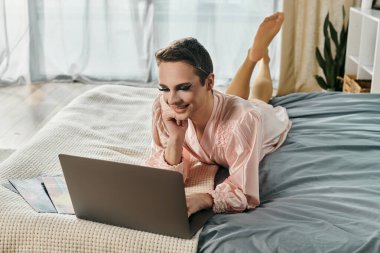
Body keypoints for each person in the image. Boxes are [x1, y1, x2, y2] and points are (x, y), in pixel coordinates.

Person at [145, 12, 291, 216]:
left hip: (262, 121)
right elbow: (161, 176)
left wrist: (207, 197)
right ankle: (253, 57)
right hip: (215, 104)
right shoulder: (163, 107)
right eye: (164, 89)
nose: (172, 99)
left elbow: (245, 191)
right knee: (231, 100)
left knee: (259, 101)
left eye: (183, 87)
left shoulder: (245, 120)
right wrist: (176, 138)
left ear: (210, 82)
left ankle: (261, 60)